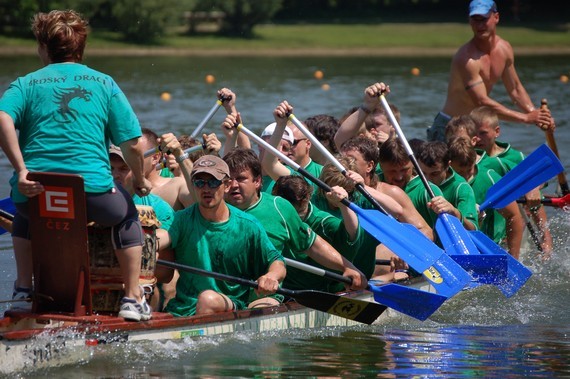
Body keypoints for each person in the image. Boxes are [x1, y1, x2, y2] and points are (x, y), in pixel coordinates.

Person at [0, 10, 152, 321]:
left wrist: (21, 170)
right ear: (81, 49)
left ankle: (23, 290)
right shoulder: (104, 83)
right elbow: (135, 144)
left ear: (43, 47)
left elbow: (2, 118)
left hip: (35, 191)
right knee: (127, 215)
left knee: (26, 214)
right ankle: (132, 297)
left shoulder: (25, 84)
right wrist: (138, 179)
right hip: (94, 195)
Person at [154, 140, 286, 317]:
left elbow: (278, 263)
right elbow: (159, 238)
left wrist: (271, 276)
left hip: (228, 304)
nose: (206, 188)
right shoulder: (181, 220)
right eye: (199, 182)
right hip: (181, 309)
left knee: (208, 299)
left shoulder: (248, 225)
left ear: (227, 185)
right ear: (193, 185)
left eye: (213, 182)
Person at [222, 146, 367, 292]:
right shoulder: (212, 208)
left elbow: (311, 245)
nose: (233, 185)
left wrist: (347, 267)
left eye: (241, 179)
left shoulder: (279, 207)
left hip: (263, 294)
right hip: (222, 292)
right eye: (228, 180)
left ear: (258, 181)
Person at [427, 0, 554, 142]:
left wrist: (536, 116)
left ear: (496, 17)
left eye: (484, 19)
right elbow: (481, 102)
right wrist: (525, 118)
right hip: (449, 128)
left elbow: (516, 90)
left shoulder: (504, 48)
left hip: (473, 128)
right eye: (475, 20)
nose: (480, 25)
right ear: (469, 21)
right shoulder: (466, 59)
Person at [469, 105, 553, 255]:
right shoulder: (469, 159)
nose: (478, 139)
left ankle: (546, 239)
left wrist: (533, 187)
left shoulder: (514, 158)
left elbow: (538, 178)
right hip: (487, 224)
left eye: (483, 133)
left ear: (497, 132)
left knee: (533, 195)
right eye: (474, 134)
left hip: (515, 222)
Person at [448, 136, 524, 258]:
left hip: (491, 245)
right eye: (460, 172)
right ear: (449, 165)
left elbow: (514, 216)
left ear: (475, 160)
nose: (466, 176)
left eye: (470, 170)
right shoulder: (444, 182)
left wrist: (514, 257)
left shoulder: (490, 178)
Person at [261, 101, 323, 192]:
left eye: (293, 142)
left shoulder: (323, 172)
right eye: (284, 144)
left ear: (308, 144)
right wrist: (280, 125)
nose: (287, 149)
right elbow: (269, 163)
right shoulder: (275, 172)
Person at [417, 141, 479, 232]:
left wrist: (454, 212)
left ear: (448, 165)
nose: (427, 179)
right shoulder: (415, 179)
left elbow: (473, 229)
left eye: (435, 174)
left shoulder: (462, 189)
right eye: (423, 173)